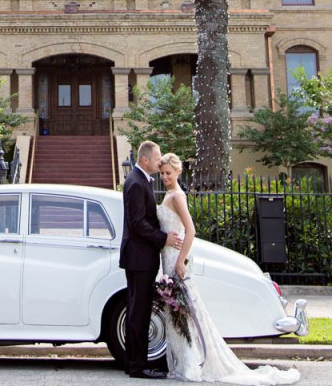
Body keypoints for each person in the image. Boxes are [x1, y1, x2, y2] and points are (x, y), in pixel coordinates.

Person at [157, 152, 300, 384]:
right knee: (178, 312)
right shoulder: (169, 194)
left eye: (168, 173)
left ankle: (194, 363)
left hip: (176, 259)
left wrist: (180, 261)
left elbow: (190, 230)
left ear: (178, 172)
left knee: (186, 312)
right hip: (168, 256)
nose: (165, 177)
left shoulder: (177, 196)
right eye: (162, 173)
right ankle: (184, 362)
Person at [119, 140, 183, 379]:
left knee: (139, 311)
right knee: (139, 313)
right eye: (157, 159)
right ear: (145, 160)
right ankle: (137, 366)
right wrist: (163, 238)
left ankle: (133, 363)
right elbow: (137, 223)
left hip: (141, 258)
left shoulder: (140, 180)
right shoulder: (136, 183)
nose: (160, 162)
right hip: (139, 258)